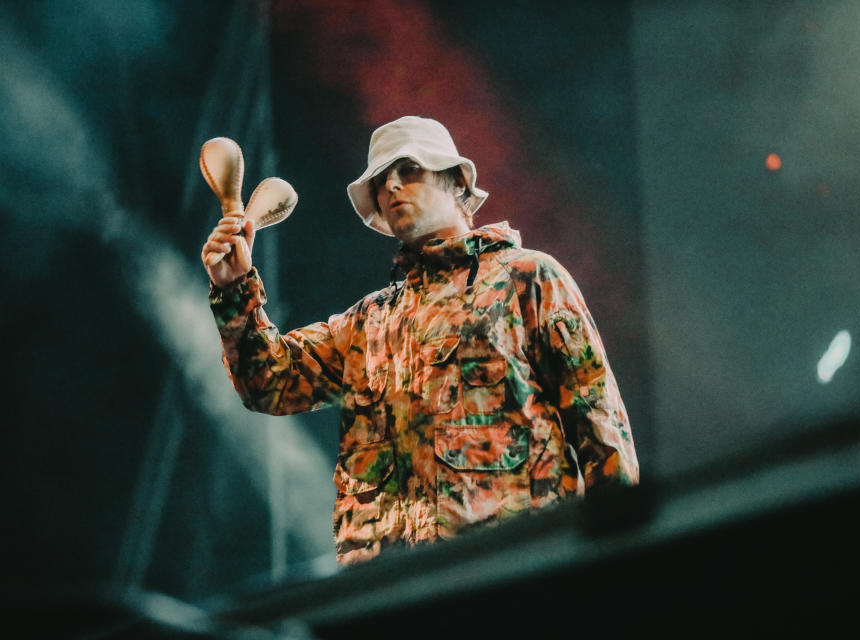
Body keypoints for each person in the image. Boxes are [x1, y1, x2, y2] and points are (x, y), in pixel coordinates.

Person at [202, 116, 639, 564]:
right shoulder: (365, 324)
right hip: (391, 591)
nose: (391, 185)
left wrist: (615, 558)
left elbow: (600, 425)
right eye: (380, 180)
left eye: (409, 169)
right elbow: (268, 382)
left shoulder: (528, 279)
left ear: (455, 183)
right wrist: (235, 289)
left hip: (515, 572)